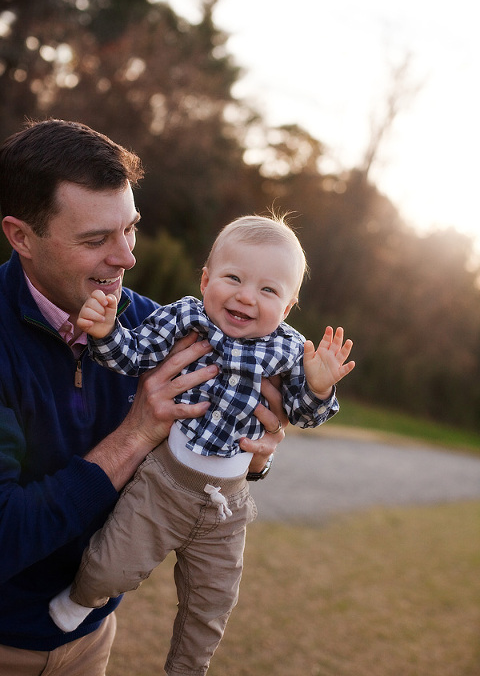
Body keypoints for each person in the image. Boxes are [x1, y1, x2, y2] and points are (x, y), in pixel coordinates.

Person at [0, 119, 288, 676]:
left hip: (91, 640)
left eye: (130, 228)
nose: (127, 257)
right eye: (95, 240)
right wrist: (136, 432)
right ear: (21, 237)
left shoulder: (157, 329)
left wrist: (249, 457)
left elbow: (190, 468)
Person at [48, 214, 355, 675]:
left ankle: (187, 669)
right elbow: (133, 357)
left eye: (269, 291)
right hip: (165, 482)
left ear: (288, 308)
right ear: (206, 278)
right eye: (233, 278)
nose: (246, 296)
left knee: (212, 604)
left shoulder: (289, 351)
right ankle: (79, 598)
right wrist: (107, 331)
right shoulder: (184, 317)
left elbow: (299, 416)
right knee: (113, 565)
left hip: (227, 506)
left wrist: (318, 388)